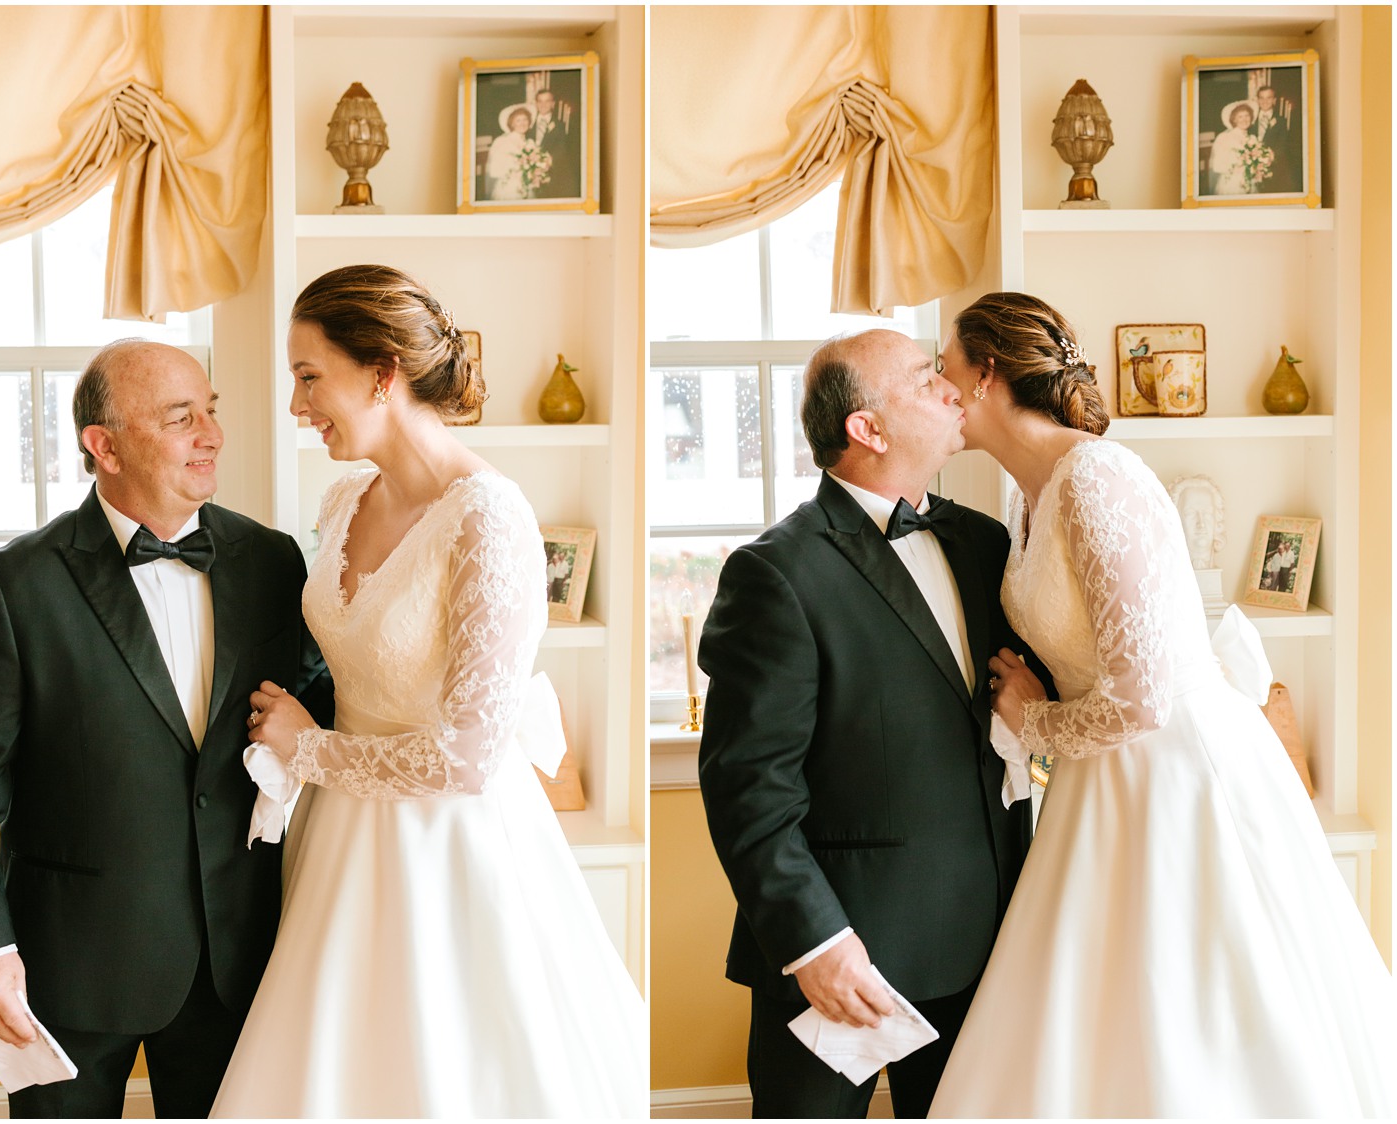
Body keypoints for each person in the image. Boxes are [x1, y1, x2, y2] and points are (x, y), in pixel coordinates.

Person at [928, 292, 1395, 1117]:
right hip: (1095, 790)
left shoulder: (1099, 476)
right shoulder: (1024, 500)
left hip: (1180, 776)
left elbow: (1142, 696)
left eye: (946, 367)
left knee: (1196, 1017)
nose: (938, 383)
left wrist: (1032, 721)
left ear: (988, 374)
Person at [210, 264, 645, 1117]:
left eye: (308, 378)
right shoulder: (342, 500)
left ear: (381, 373)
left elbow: (470, 757)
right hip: (339, 838)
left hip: (453, 844)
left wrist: (309, 748)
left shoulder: (490, 517)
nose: (297, 406)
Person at [0, 340, 332, 1118]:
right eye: (181, 417)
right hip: (67, 967)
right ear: (103, 446)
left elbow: (319, 714)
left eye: (211, 411)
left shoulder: (273, 562)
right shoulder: (12, 586)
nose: (211, 434)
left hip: (238, 959)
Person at [696, 328, 1039, 1118]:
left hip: (991, 944)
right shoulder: (775, 573)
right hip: (840, 962)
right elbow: (749, 789)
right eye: (926, 379)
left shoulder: (986, 544)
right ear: (868, 428)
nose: (953, 389)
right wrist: (817, 946)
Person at [484, 103, 542, 201]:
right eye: (518, 120)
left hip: (527, 188)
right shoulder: (502, 141)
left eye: (525, 119)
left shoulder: (530, 143)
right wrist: (517, 168)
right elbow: (494, 171)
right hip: (509, 189)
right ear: (512, 123)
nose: (522, 123)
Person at [1208, 100, 1268, 195]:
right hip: (1232, 184)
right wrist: (1239, 166)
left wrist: (1259, 167)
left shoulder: (1253, 138)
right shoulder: (1224, 137)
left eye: (1247, 115)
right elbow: (1217, 166)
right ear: (1234, 119)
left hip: (1250, 183)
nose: (1244, 120)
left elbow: (1257, 162)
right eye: (1240, 117)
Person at [531, 87, 580, 198]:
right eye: (540, 101)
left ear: (553, 103)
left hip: (550, 173)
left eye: (547, 101)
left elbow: (562, 149)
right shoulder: (528, 124)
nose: (543, 105)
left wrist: (547, 162)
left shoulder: (560, 125)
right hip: (530, 174)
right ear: (536, 103)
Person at [1253, 83, 1300, 193]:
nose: (1265, 101)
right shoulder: (1251, 119)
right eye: (1262, 98)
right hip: (1252, 168)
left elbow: (1283, 145)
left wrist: (1269, 158)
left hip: (1273, 167)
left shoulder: (1281, 121)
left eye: (1269, 98)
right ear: (1257, 100)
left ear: (1274, 100)